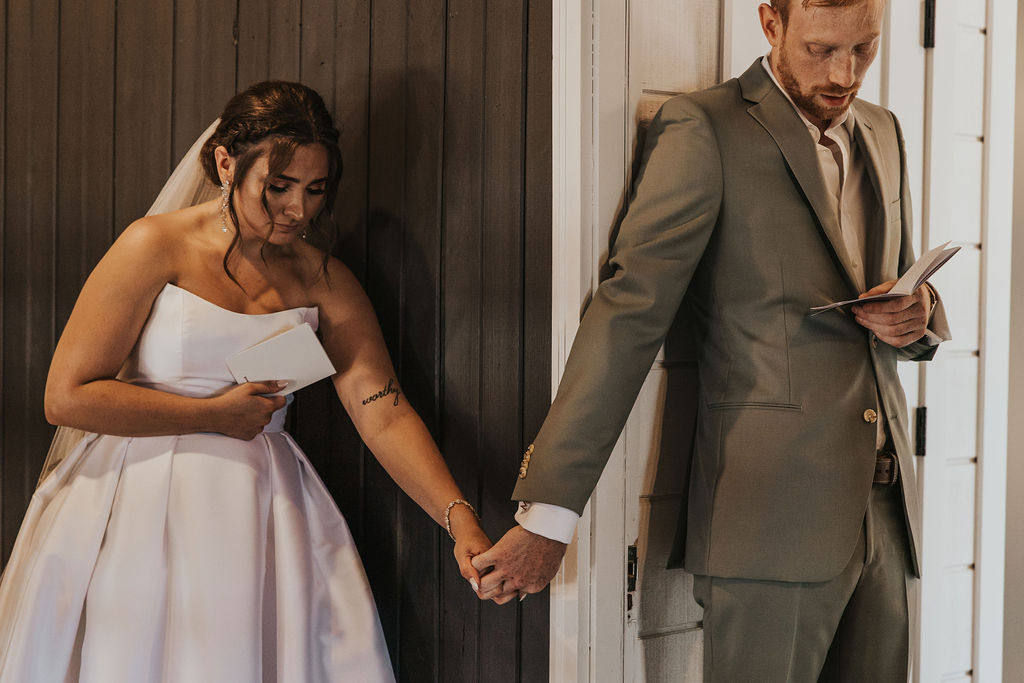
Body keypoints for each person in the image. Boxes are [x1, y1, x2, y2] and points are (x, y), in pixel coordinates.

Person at [472, 0, 950, 680]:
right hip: (767, 522)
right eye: (821, 49)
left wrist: (922, 313)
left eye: (864, 49)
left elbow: (899, 284)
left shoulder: (883, 130)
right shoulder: (705, 129)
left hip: (888, 512)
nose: (845, 73)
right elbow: (627, 314)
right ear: (771, 22)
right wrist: (549, 514)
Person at [0, 81, 490, 682]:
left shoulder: (324, 280)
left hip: (259, 510)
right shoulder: (155, 244)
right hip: (136, 500)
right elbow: (66, 396)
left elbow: (381, 410)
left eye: (316, 190)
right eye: (278, 187)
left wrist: (458, 518)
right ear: (226, 162)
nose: (298, 210)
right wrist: (211, 415)